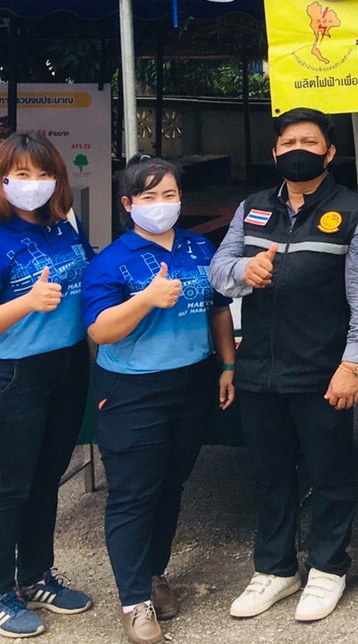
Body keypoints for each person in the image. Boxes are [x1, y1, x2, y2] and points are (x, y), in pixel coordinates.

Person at [208, 108, 358, 623]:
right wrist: (245, 269)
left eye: (309, 142)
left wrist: (352, 365)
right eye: (288, 143)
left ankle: (328, 568)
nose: (297, 150)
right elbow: (219, 271)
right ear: (274, 152)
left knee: (329, 473)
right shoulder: (252, 208)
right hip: (259, 369)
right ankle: (275, 569)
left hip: (322, 370)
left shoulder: (357, 214)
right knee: (269, 474)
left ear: (330, 153)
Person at [83, 158, 237, 643]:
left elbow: (219, 309)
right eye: (148, 197)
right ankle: (134, 602)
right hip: (133, 392)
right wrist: (145, 299)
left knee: (171, 484)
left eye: (169, 195)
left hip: (191, 382)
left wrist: (227, 365)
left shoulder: (198, 246)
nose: (161, 205)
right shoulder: (111, 261)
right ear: (128, 204)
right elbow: (99, 330)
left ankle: (153, 575)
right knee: (134, 494)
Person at [0, 132, 95, 639]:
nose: (34, 184)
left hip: (66, 366)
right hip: (10, 375)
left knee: (46, 477)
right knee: (9, 484)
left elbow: (90, 278)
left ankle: (35, 577)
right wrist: (26, 303)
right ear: (0, 180)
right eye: (22, 174)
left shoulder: (63, 227)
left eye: (44, 174)